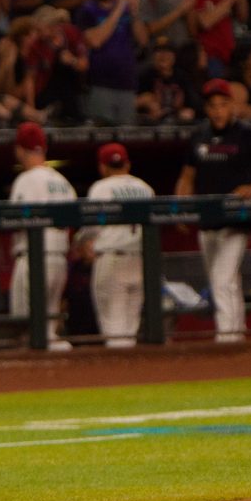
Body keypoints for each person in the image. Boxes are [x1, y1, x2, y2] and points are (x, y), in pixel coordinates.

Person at [174, 79, 251, 343]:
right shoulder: (199, 135)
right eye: (213, 106)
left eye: (223, 105)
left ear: (232, 105)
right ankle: (235, 335)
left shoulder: (249, 135)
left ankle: (225, 338)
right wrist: (180, 207)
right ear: (207, 108)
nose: (218, 111)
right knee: (224, 281)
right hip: (208, 221)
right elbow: (187, 176)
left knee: (222, 280)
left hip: (237, 221)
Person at [75, 143, 155, 348]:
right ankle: (134, 377)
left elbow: (89, 228)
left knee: (114, 331)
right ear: (127, 164)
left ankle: (121, 376)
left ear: (103, 167)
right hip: (141, 261)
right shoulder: (145, 188)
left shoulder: (102, 188)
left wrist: (79, 242)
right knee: (130, 329)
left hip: (112, 259)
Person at [9, 122, 77, 349]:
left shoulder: (25, 180)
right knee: (48, 329)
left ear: (20, 149)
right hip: (59, 259)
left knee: (26, 327)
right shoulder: (63, 182)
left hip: (32, 259)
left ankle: (36, 377)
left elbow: (13, 223)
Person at [75, 0, 144, 124]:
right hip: (100, 84)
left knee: (128, 134)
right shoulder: (87, 11)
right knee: (102, 132)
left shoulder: (127, 10)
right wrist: (119, 8)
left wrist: (134, 14)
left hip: (126, 82)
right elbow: (95, 40)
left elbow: (142, 40)